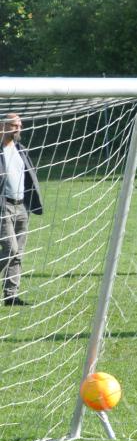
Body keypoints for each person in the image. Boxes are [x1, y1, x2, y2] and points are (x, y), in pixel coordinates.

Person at [0, 113, 42, 306]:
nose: (18, 128)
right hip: (4, 207)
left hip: (22, 206)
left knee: (18, 254)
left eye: (20, 125)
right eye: (14, 125)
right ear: (2, 126)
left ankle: (11, 296)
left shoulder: (21, 149)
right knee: (11, 249)